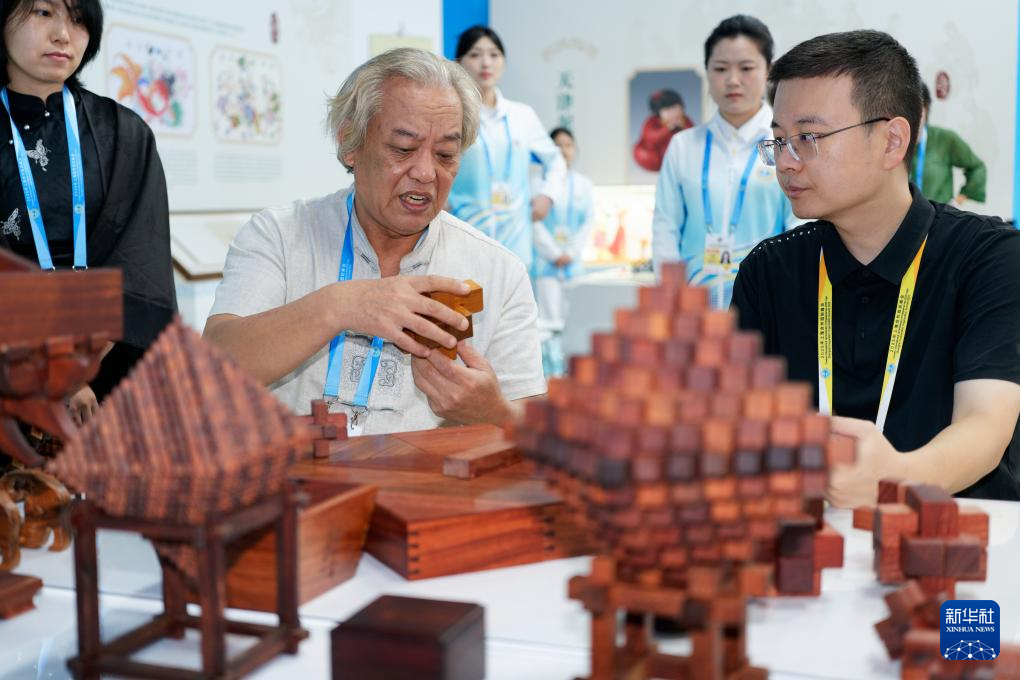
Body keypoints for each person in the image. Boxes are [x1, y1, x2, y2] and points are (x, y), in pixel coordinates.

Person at [733, 30, 1020, 504]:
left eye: (808, 138)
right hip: (810, 535)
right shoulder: (768, 271)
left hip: (959, 531)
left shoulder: (988, 257)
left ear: (892, 141)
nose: (785, 162)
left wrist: (897, 477)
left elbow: (985, 425)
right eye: (779, 140)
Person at [204, 48, 546, 437]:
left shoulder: (498, 269)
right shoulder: (281, 235)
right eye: (403, 149)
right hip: (295, 473)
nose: (426, 172)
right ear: (350, 143)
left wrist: (493, 411)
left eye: (445, 154)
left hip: (428, 477)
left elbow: (534, 429)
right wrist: (342, 306)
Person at [0, 0, 175, 426]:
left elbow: (140, 259)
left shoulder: (124, 133)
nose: (63, 34)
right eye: (43, 12)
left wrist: (80, 368)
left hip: (106, 368)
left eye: (78, 19)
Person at [652, 15, 796, 309]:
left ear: (768, 71)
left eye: (746, 68)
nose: (732, 80)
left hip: (769, 304)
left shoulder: (787, 143)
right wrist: (670, 299)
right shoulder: (683, 146)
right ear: (707, 71)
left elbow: (799, 228)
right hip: (694, 308)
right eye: (720, 68)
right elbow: (666, 227)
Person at [448, 25, 567, 270]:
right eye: (475, 54)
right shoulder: (452, 115)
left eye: (494, 54)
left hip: (516, 246)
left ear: (503, 61)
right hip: (465, 241)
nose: (486, 63)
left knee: (515, 293)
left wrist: (547, 196)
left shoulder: (522, 115)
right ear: (459, 63)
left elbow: (555, 160)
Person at [533, 127, 594, 375]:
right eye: (557, 145)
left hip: (573, 266)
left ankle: (573, 375)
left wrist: (572, 252)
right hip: (547, 266)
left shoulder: (584, 185)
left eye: (568, 145)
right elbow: (533, 223)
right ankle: (550, 375)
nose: (563, 150)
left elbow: (588, 222)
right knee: (548, 325)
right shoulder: (537, 185)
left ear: (575, 149)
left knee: (573, 322)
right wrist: (554, 253)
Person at [911, 82, 986, 206]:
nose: (912, 119)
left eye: (917, 112)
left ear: (926, 110)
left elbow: (977, 168)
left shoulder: (944, 139)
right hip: (902, 216)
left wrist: (957, 202)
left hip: (937, 215)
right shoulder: (891, 142)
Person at [632, 88, 695, 172]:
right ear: (658, 113)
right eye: (667, 110)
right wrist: (667, 129)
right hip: (657, 153)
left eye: (674, 108)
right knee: (643, 153)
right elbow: (650, 137)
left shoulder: (685, 120)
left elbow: (692, 135)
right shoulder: (652, 121)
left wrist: (683, 127)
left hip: (676, 153)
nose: (672, 113)